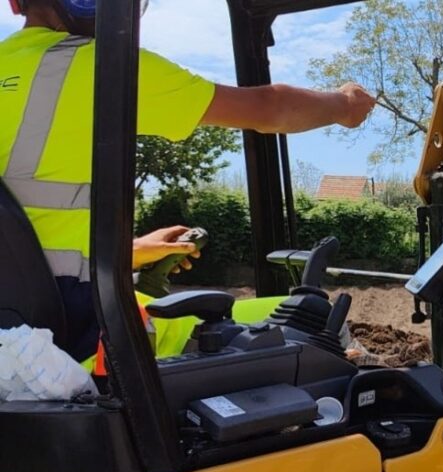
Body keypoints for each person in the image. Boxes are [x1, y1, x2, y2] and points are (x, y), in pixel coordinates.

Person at [0, 0, 376, 368]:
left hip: (17, 338)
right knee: (317, 323)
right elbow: (268, 108)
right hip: (70, 344)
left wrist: (131, 251)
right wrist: (343, 105)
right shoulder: (103, 68)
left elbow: (21, 235)